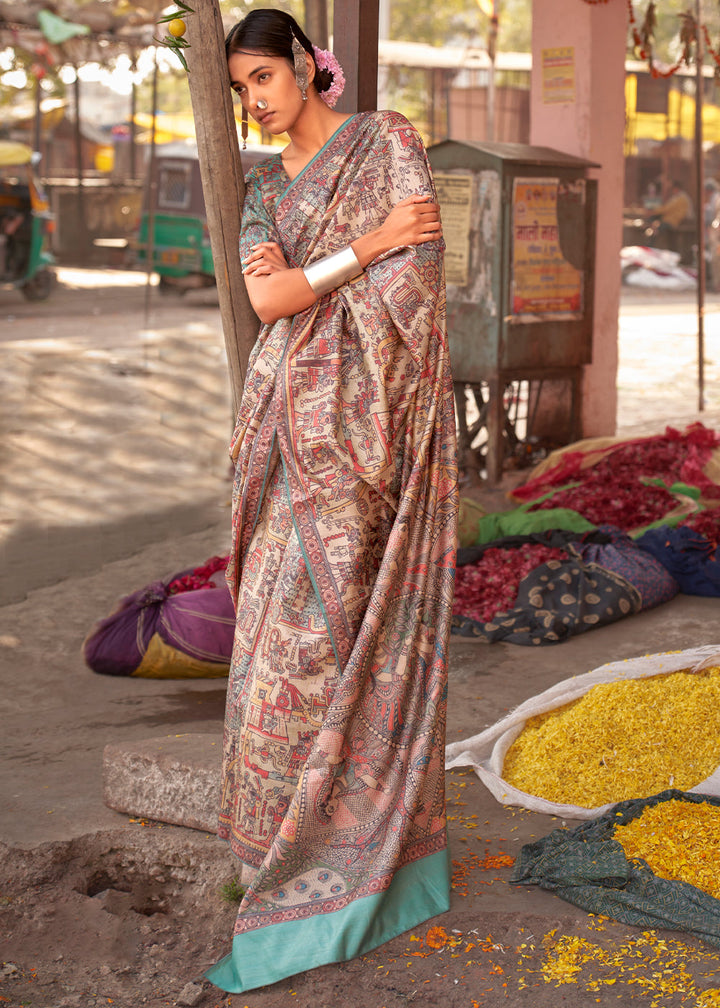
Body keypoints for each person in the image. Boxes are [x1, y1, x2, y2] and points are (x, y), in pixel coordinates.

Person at [206, 9, 458, 995]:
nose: (255, 103)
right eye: (240, 89)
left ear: (312, 69)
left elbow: (421, 281)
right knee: (275, 646)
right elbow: (269, 305)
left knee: (347, 634)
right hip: (281, 439)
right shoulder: (264, 190)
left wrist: (325, 271)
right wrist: (368, 245)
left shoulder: (387, 140)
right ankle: (275, 853)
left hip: (365, 442)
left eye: (264, 78)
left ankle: (363, 862)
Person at [646, 179, 693, 251]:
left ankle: (650, 246)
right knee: (654, 221)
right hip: (670, 219)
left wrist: (654, 212)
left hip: (673, 221)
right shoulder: (677, 197)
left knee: (656, 227)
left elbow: (667, 208)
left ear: (676, 188)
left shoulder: (681, 198)